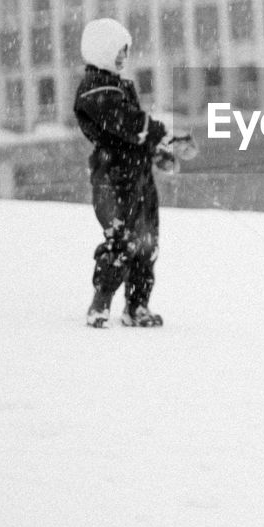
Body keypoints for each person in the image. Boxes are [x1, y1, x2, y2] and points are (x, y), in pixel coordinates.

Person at [73, 18, 168, 328]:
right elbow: (125, 122)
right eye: (117, 51)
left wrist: (157, 150)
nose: (123, 57)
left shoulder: (120, 85)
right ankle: (100, 303)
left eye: (125, 51)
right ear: (100, 51)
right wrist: (152, 131)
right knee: (121, 239)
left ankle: (138, 305)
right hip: (113, 176)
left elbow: (134, 132)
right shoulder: (94, 89)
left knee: (147, 241)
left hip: (139, 175)